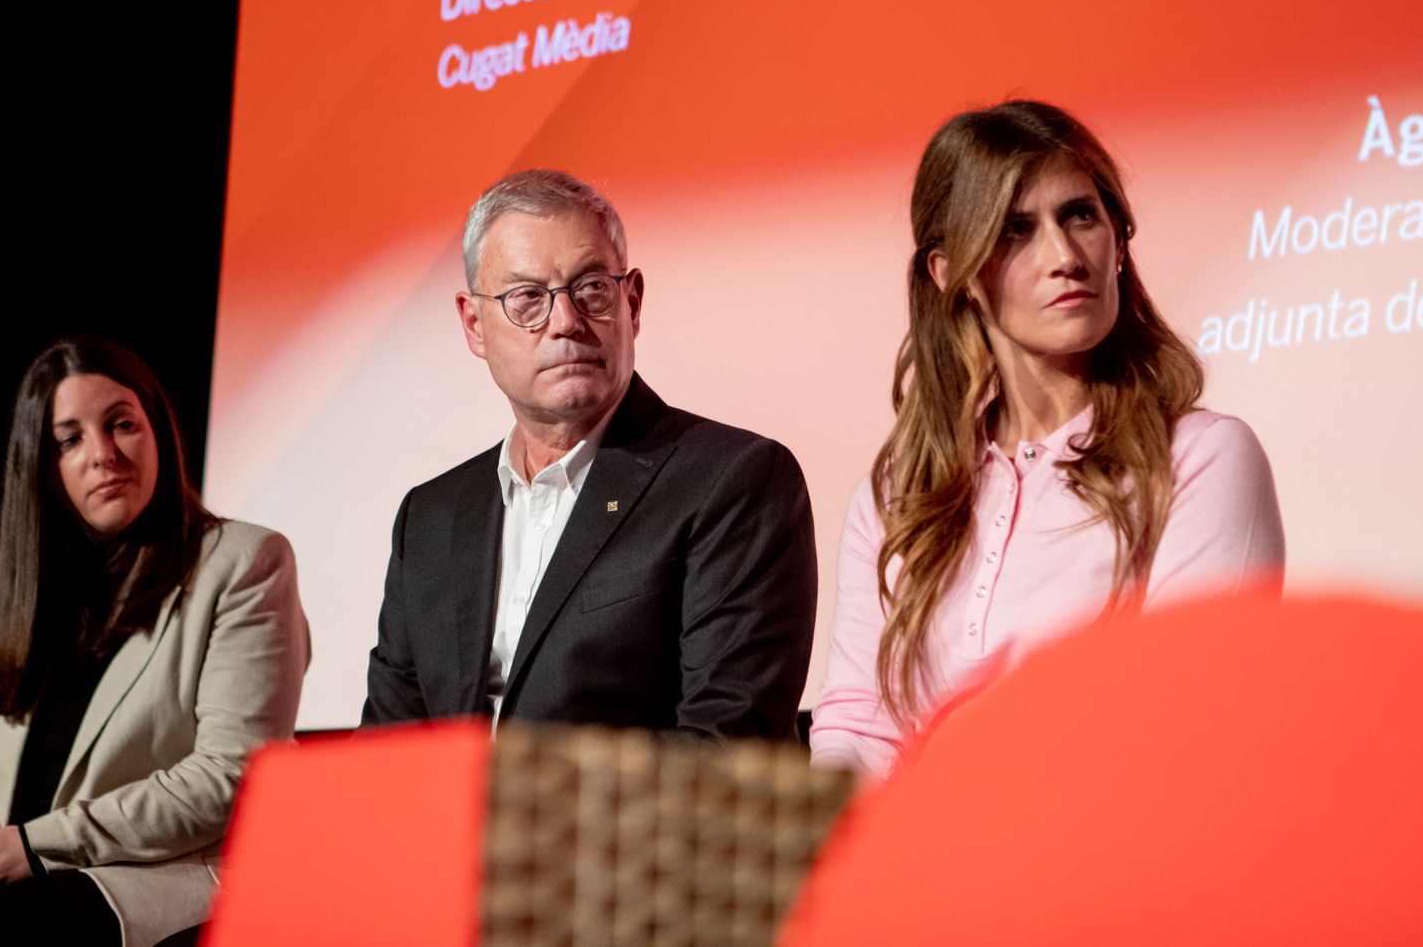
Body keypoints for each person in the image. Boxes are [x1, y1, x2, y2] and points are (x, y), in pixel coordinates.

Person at [811, 101, 1284, 777]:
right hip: (917, 863)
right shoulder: (898, 496)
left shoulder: (1202, 458)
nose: (1064, 256)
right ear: (953, 275)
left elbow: (1186, 720)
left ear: (1119, 240)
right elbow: (859, 721)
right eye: (1015, 230)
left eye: (1080, 215)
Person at [362, 169, 817, 739]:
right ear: (474, 325)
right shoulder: (430, 518)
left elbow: (724, 748)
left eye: (592, 289)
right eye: (527, 299)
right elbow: (386, 753)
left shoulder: (732, 481)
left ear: (632, 302)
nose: (566, 323)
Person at [0, 337, 309, 947]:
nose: (104, 454)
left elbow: (230, 776)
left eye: (122, 425)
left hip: (167, 881)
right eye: (70, 439)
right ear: (43, 465)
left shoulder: (243, 561)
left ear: (158, 430)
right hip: (41, 873)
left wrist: (35, 846)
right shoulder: (40, 591)